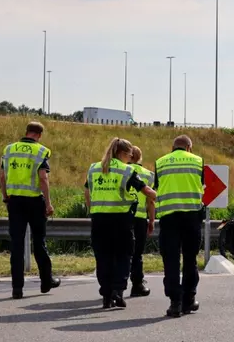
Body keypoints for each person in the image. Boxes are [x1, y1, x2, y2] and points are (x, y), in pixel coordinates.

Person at [84, 137, 156, 309]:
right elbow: (145, 190)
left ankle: (106, 295)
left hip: (99, 220)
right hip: (121, 221)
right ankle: (118, 290)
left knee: (103, 257)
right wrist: (161, 197)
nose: (130, 158)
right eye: (129, 155)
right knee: (123, 256)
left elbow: (87, 192)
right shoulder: (126, 170)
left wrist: (92, 210)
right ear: (122, 153)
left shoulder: (94, 168)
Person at [0, 121, 60, 299]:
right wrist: (48, 203)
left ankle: (17, 288)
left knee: (17, 244)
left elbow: (2, 176)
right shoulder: (41, 151)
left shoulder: (9, 149)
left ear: (26, 132)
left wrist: (5, 197)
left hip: (15, 202)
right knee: (39, 242)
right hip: (34, 202)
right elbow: (43, 178)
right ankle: (46, 280)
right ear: (39, 135)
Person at [154, 134, 204, 317]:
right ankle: (189, 300)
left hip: (168, 218)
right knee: (190, 259)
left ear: (172, 147)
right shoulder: (198, 161)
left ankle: (175, 302)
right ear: (189, 147)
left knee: (171, 260)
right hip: (191, 217)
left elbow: (157, 188)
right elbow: (203, 187)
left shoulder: (161, 162)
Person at [128, 146, 155, 297]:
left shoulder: (120, 170)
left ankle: (115, 287)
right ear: (140, 157)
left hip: (121, 217)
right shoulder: (147, 175)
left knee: (120, 252)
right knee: (137, 253)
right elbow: (151, 201)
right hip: (139, 219)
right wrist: (151, 220)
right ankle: (137, 284)